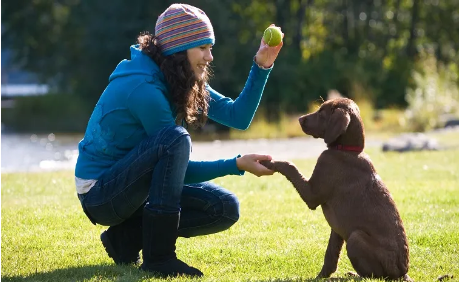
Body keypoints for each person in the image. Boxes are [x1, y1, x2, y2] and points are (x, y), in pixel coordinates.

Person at [75, 3, 283, 278]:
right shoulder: (144, 88)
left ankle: (126, 238)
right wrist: (236, 164)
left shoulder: (180, 77)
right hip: (100, 193)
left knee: (223, 208)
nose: (210, 57)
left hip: (134, 189)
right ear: (178, 50)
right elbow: (177, 167)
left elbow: (238, 116)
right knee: (175, 139)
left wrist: (262, 64)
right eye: (203, 48)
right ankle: (159, 258)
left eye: (210, 47)